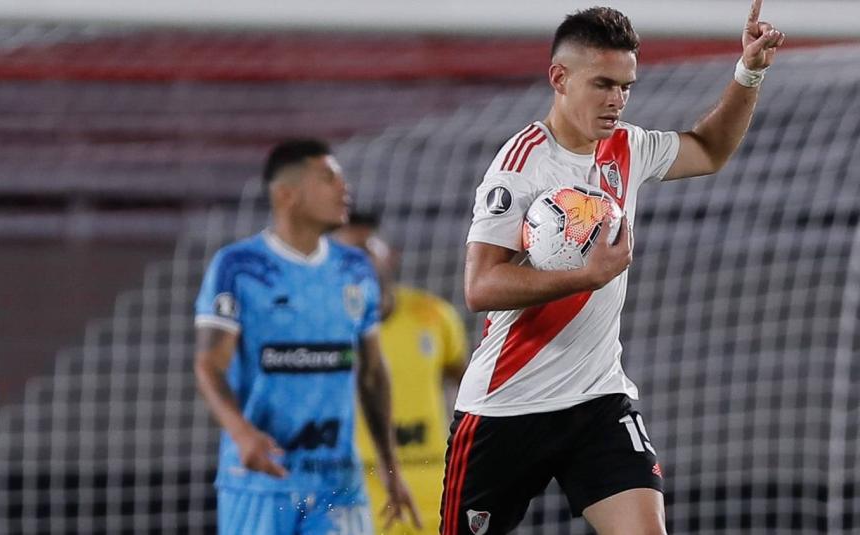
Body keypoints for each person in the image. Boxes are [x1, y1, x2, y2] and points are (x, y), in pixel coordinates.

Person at [445, 3, 783, 534]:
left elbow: (710, 151)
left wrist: (749, 71)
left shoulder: (627, 145)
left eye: (626, 86)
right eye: (603, 84)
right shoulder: (520, 166)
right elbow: (480, 285)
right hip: (507, 404)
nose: (617, 100)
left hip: (598, 398)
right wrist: (587, 276)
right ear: (559, 78)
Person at [194, 139, 421, 534]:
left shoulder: (355, 268)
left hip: (338, 484)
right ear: (287, 194)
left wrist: (390, 469)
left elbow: (372, 375)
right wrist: (242, 433)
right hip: (261, 481)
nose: (344, 187)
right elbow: (209, 364)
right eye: (328, 178)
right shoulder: (239, 267)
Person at [335, 213, 468, 535]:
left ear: (390, 255)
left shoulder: (433, 315)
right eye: (346, 255)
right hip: (358, 489)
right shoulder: (324, 326)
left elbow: (467, 386)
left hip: (433, 482)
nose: (358, 263)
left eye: (366, 250)